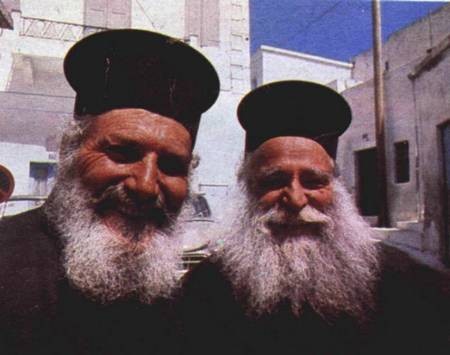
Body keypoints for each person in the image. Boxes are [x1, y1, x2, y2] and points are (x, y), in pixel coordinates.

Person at [181, 81, 450, 355]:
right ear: (248, 188)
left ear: (337, 188)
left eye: (313, 181)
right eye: (274, 180)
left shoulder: (413, 287)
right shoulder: (204, 290)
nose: (296, 199)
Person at [0, 29, 219, 355]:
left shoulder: (177, 303)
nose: (146, 185)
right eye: (122, 154)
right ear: (68, 151)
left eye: (172, 166)